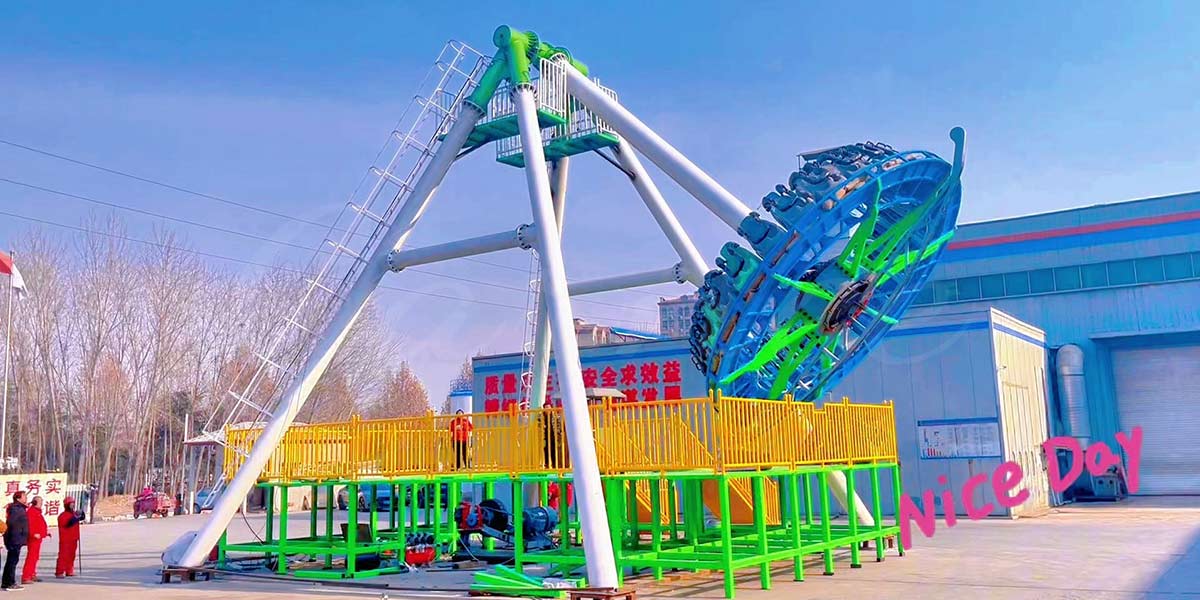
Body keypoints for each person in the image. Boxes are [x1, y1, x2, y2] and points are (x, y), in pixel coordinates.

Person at [2, 491, 28, 591]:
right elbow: (11, 523)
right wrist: (19, 532)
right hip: (15, 538)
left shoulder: (19, 508)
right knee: (12, 562)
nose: (26, 498)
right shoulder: (17, 509)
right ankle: (10, 583)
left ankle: (5, 583)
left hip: (16, 538)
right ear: (18, 498)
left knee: (11, 561)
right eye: (24, 496)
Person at [20, 497, 48, 585]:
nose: (42, 503)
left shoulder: (37, 512)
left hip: (38, 538)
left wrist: (45, 532)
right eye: (40, 502)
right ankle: (26, 577)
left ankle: (32, 574)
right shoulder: (31, 512)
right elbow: (29, 525)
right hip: (34, 538)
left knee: (35, 557)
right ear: (35, 502)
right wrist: (33, 534)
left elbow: (39, 523)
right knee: (31, 557)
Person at [55, 498, 83, 579]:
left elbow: (81, 518)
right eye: (71, 504)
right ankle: (59, 571)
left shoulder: (73, 514)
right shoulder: (63, 515)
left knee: (72, 555)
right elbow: (68, 523)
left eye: (73, 503)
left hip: (74, 538)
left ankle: (69, 570)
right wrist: (76, 517)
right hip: (65, 539)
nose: (73, 505)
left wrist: (81, 513)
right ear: (67, 505)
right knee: (63, 555)